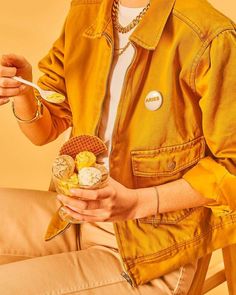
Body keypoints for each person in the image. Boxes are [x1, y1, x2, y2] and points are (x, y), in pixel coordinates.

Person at [0, 0, 235, 293]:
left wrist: (136, 203)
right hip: (73, 218)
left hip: (151, 251)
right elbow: (45, 129)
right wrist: (22, 92)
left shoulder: (210, 35)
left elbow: (232, 169)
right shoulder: (88, 11)